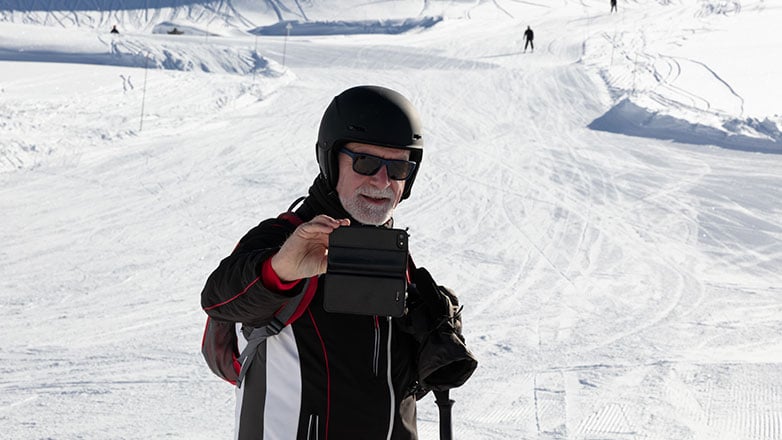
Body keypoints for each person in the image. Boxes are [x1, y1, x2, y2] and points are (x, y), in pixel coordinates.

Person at [201, 85, 477, 439]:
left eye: (398, 168)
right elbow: (219, 299)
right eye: (366, 162)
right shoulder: (284, 237)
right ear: (331, 160)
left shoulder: (398, 260)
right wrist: (280, 270)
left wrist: (431, 357)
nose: (382, 181)